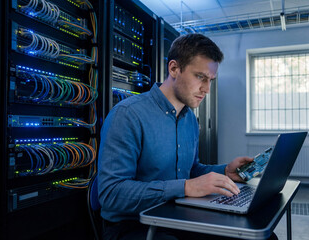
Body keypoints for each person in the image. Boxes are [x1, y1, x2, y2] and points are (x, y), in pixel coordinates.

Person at [97, 33, 277, 240]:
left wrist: (226, 171)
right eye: (200, 77)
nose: (207, 89)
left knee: (265, 237)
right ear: (174, 68)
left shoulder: (189, 118)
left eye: (210, 80)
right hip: (132, 225)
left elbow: (191, 170)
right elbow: (111, 194)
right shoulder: (128, 115)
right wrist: (185, 187)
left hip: (176, 215)